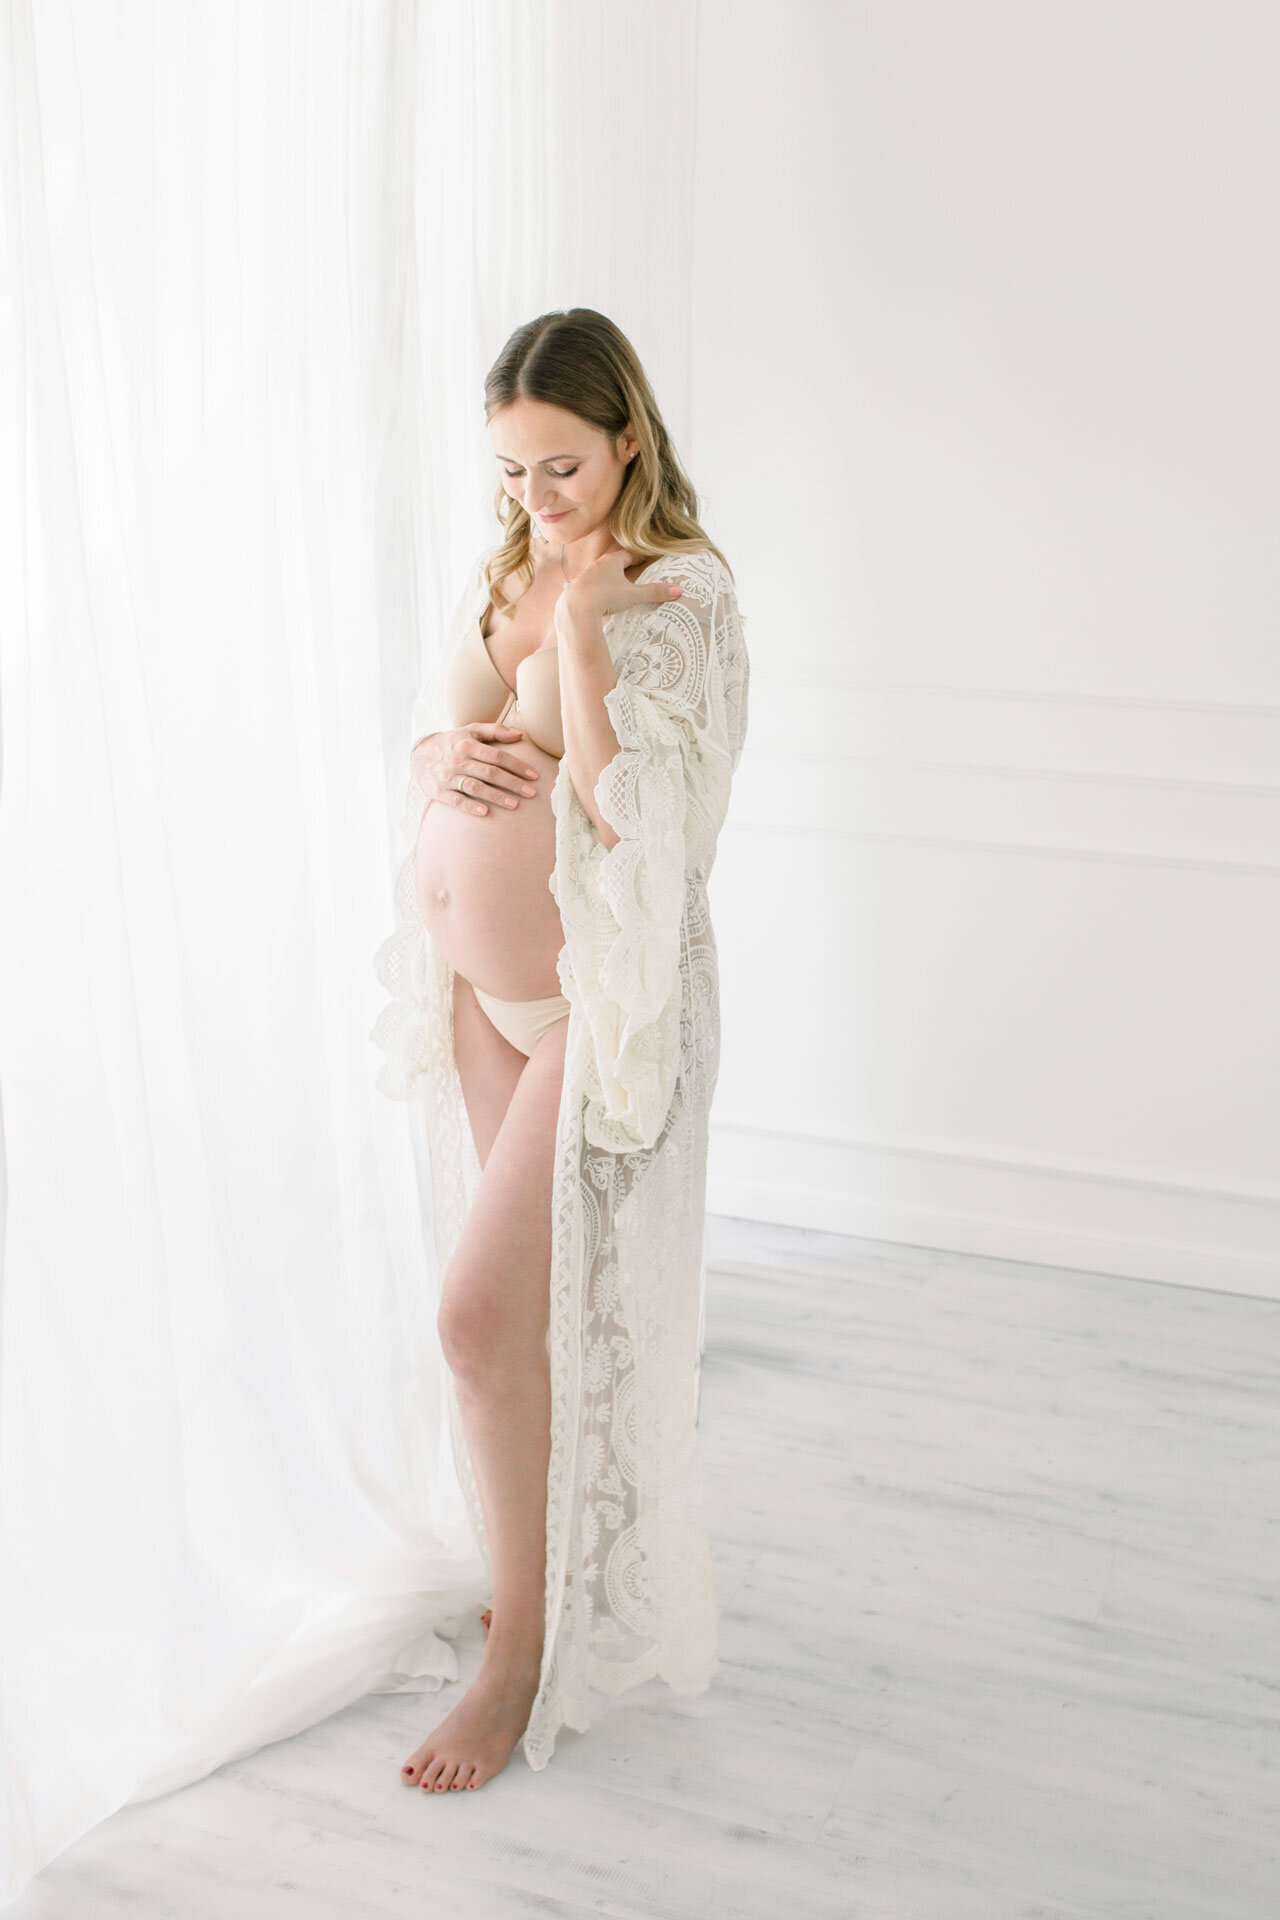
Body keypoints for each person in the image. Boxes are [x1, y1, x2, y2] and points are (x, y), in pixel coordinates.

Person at [371, 307, 750, 1793]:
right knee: (515, 1327)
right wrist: (437, 758)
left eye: (565, 467)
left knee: (477, 1320)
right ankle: (523, 1586)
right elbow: (439, 733)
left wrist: (584, 633)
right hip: (484, 998)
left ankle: (520, 1658)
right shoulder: (513, 564)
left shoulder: (681, 594)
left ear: (630, 441)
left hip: (598, 1009)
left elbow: (630, 819)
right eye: (515, 472)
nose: (538, 498)